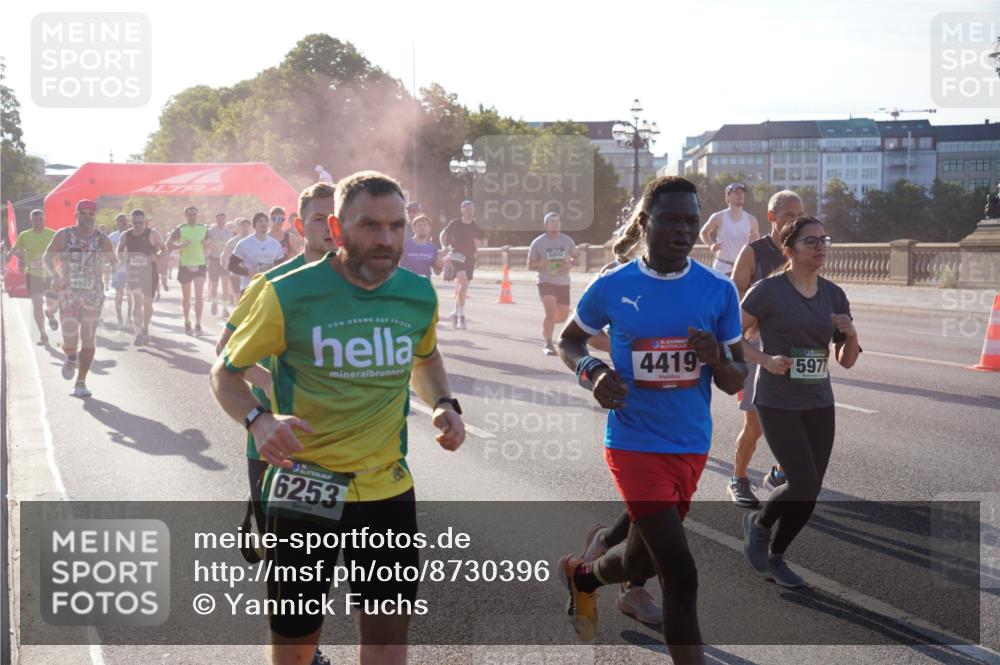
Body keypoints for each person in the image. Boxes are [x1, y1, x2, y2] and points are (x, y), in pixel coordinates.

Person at [210, 170, 465, 665]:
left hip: (387, 487)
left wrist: (444, 403)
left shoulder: (417, 294)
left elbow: (426, 356)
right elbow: (225, 372)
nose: (386, 239)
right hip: (307, 486)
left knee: (390, 641)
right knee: (297, 643)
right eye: (370, 225)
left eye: (396, 226)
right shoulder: (287, 292)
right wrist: (259, 422)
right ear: (335, 226)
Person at [556, 176, 746, 663]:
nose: (682, 230)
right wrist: (593, 370)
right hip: (633, 442)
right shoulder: (613, 286)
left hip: (690, 443)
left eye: (691, 220)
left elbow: (734, 378)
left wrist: (717, 360)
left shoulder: (718, 291)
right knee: (680, 572)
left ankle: (582, 575)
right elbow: (570, 339)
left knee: (640, 557)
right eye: (671, 219)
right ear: (645, 222)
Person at [215, 184, 340, 586]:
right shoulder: (272, 283)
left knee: (327, 556)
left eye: (337, 217)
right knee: (292, 562)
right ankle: (298, 648)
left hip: (338, 443)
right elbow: (225, 353)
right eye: (320, 218)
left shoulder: (362, 286)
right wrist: (271, 386)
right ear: (301, 226)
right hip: (278, 440)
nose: (331, 227)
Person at [740, 216, 860, 587]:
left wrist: (851, 333)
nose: (820, 246)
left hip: (819, 400)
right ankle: (758, 524)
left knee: (811, 489)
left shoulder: (834, 295)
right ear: (788, 249)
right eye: (810, 241)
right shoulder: (767, 291)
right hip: (777, 400)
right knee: (803, 482)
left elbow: (847, 359)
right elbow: (729, 337)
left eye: (823, 239)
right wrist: (764, 360)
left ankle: (777, 556)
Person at [725, 190, 803, 506]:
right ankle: (739, 478)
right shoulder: (753, 253)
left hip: (796, 348)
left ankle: (778, 474)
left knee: (800, 420)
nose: (794, 222)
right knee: (756, 425)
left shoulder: (802, 249)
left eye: (799, 215)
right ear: (771, 217)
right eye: (788, 216)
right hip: (759, 349)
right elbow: (733, 300)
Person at [43, 199, 117, 398]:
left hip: (93, 294)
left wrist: (108, 268)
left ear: (95, 216)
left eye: (91, 213)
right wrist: (55, 275)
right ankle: (71, 357)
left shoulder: (102, 239)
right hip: (68, 293)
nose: (87, 217)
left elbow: (114, 262)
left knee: (88, 337)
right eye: (83, 213)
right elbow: (47, 257)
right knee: (69, 336)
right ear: (76, 215)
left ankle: (81, 382)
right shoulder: (64, 235)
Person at [528, 212, 577, 355]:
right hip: (545, 281)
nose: (556, 224)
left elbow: (577, 259)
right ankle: (548, 343)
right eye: (552, 222)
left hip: (563, 282)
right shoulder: (538, 243)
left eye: (558, 222)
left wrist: (570, 263)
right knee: (550, 313)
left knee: (561, 317)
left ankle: (547, 326)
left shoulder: (567, 241)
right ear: (546, 225)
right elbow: (529, 265)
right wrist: (542, 263)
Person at [118, 209, 167, 346]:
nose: (138, 225)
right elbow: (119, 249)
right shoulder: (126, 235)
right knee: (136, 303)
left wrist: (156, 257)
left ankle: (145, 328)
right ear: (131, 221)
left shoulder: (153, 234)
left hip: (150, 273)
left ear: (145, 221)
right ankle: (138, 334)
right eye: (135, 222)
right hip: (134, 273)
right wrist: (122, 260)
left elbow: (164, 250)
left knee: (147, 304)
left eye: (140, 222)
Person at [12, 209, 57, 345]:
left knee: (53, 305)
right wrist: (16, 254)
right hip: (33, 275)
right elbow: (15, 250)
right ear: (31, 221)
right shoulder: (24, 235)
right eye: (35, 220)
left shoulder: (53, 234)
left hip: (50, 274)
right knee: (37, 305)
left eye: (40, 220)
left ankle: (50, 314)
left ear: (44, 220)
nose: (38, 222)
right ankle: (43, 334)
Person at [440, 200, 486, 330]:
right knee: (463, 283)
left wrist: (480, 244)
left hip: (470, 258)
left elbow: (483, 240)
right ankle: (461, 315)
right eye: (466, 209)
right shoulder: (455, 223)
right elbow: (443, 233)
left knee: (463, 287)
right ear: (462, 210)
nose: (469, 212)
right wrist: (443, 246)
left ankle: (456, 310)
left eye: (471, 209)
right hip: (457, 255)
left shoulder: (476, 226)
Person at [699, 182, 759, 276]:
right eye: (736, 193)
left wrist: (753, 243)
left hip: (742, 267)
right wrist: (711, 245)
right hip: (722, 267)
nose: (740, 195)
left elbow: (756, 241)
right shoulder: (718, 217)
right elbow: (704, 232)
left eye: (742, 193)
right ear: (727, 197)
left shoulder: (751, 220)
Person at [167, 206, 209, 334]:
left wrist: (207, 245)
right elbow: (168, 244)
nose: (192, 217)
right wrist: (181, 245)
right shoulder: (181, 229)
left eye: (194, 214)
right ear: (186, 216)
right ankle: (187, 321)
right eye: (189, 215)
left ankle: (198, 323)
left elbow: (210, 243)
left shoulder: (204, 228)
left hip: (200, 264)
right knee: (186, 297)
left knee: (199, 297)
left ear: (197, 215)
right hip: (185, 265)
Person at [230, 213, 285, 294]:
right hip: (249, 287)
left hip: (268, 288)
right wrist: (247, 272)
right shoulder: (244, 243)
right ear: (254, 225)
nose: (263, 223)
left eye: (266, 221)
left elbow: (281, 265)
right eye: (260, 221)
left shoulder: (275, 244)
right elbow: (232, 265)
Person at [221, 217, 252, 316]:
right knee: (238, 298)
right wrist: (225, 264)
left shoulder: (253, 240)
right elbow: (225, 254)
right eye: (243, 226)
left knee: (248, 298)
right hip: (236, 273)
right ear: (239, 228)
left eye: (247, 226)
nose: (245, 228)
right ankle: (238, 319)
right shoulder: (233, 241)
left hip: (249, 274)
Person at [206, 211, 234, 316]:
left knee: (225, 286)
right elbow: (206, 244)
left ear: (225, 220)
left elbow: (231, 246)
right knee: (214, 285)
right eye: (219, 219)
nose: (221, 221)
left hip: (225, 261)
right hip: (214, 259)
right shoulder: (210, 231)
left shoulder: (229, 232)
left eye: (223, 219)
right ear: (216, 220)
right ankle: (214, 302)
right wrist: (210, 245)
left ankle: (225, 309)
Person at [107, 214, 132, 329]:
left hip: (131, 267)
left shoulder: (132, 234)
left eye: (125, 220)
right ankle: (119, 318)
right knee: (119, 294)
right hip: (118, 268)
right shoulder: (112, 237)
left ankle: (129, 318)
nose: (123, 222)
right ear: (116, 222)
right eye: (121, 220)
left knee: (131, 293)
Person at [399, 214, 442, 279]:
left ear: (429, 228)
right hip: (407, 284)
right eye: (420, 225)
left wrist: (441, 264)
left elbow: (437, 272)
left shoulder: (432, 248)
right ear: (414, 229)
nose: (423, 227)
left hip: (424, 285)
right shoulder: (404, 246)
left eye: (425, 225)